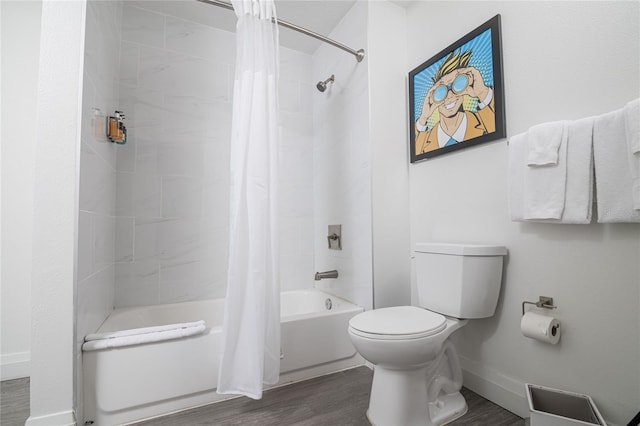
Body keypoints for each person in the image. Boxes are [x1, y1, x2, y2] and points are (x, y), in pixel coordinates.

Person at [415, 49, 495, 155]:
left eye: (457, 84)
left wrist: (482, 93)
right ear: (432, 97)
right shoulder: (424, 141)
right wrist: (423, 118)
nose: (449, 96)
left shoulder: (485, 121)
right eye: (441, 91)